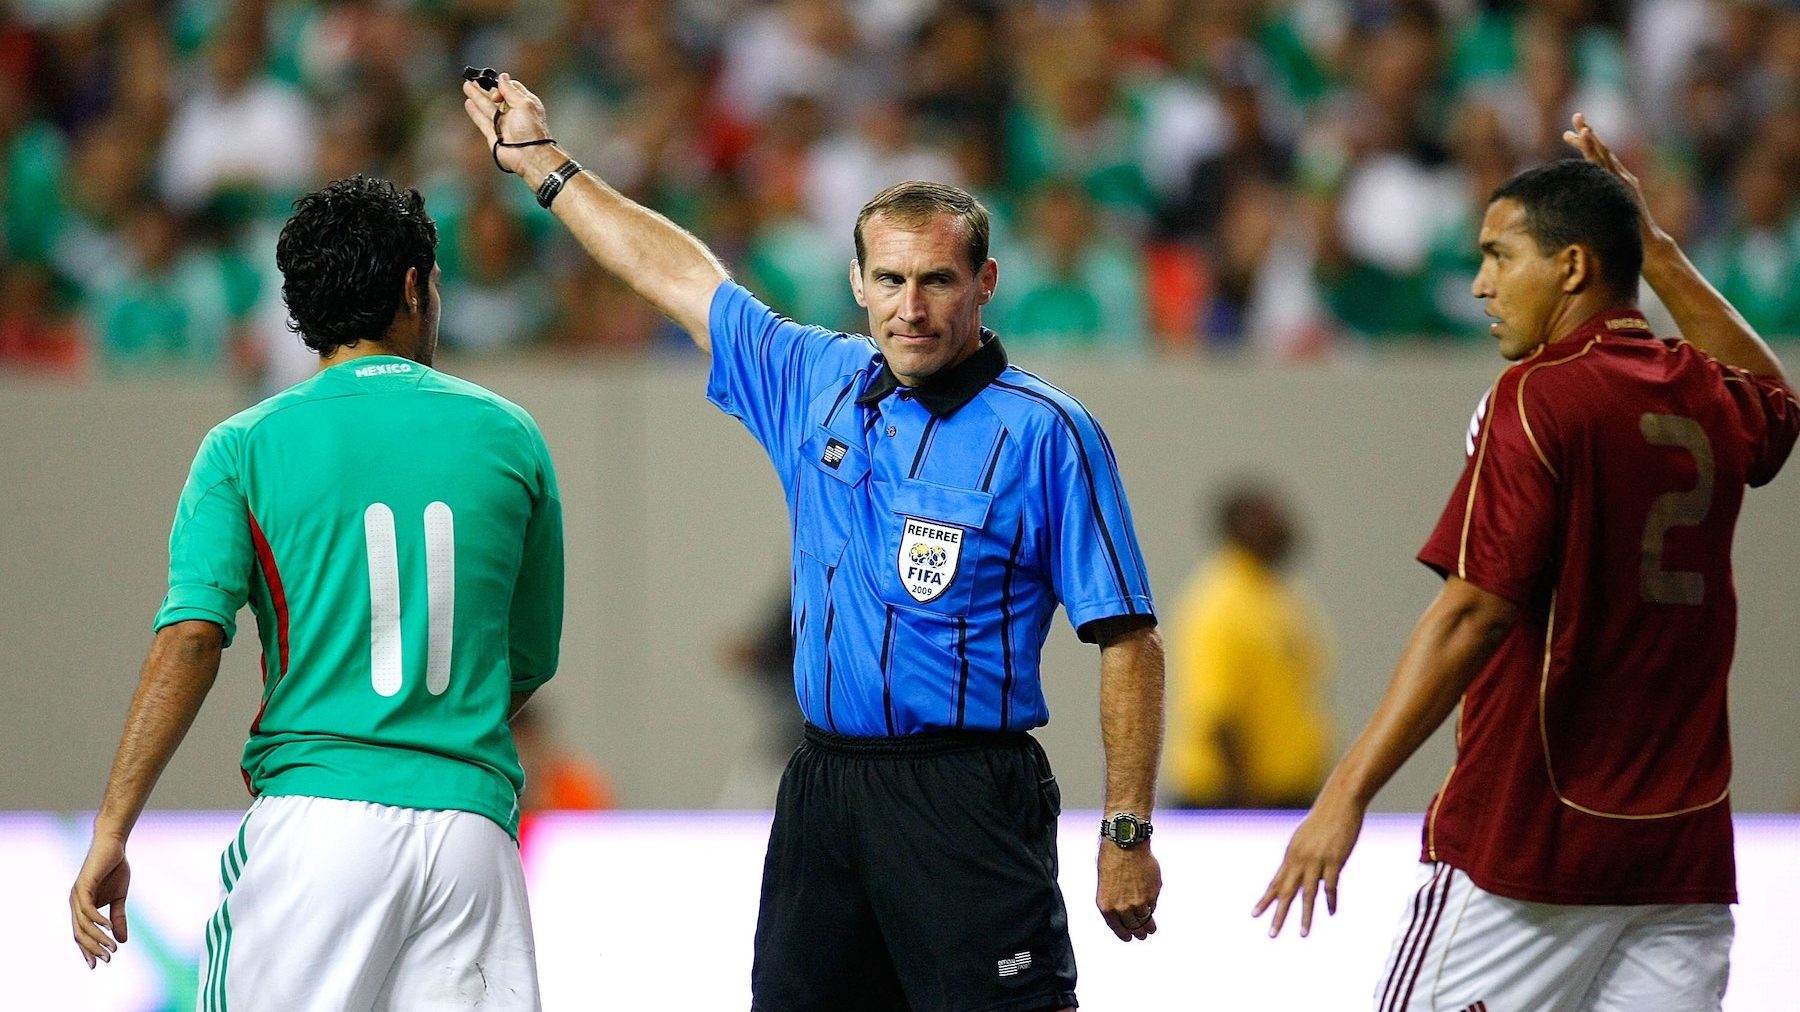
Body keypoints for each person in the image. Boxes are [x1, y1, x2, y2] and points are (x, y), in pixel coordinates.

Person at [460, 72, 1165, 1011]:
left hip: (967, 798)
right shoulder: (812, 379)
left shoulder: (1047, 433)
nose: (911, 308)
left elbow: (1129, 640)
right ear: (857, 283)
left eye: (937, 281)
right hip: (824, 790)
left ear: (985, 284)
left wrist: (1126, 834)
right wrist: (542, 161)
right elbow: (675, 273)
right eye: (890, 280)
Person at [1255, 114, 1797, 1011]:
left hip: (1531, 850)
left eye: (1500, 255)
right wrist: (1656, 250)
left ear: (1574, 266)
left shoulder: (1537, 395)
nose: (1479, 284)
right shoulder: (1701, 388)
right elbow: (1777, 401)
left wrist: (1344, 795)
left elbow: (1474, 612)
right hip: (1680, 862)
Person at [67, 175, 566, 1010]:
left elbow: (192, 636)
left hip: (318, 826)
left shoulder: (244, 447)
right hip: (475, 840)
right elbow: (524, 659)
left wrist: (113, 827)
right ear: (414, 285)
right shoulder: (510, 436)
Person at [1163, 483, 1332, 810]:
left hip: (1285, 795)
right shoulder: (1221, 602)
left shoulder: (1274, 595)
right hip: (1233, 802)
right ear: (1239, 528)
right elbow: (1218, 715)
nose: (1285, 525)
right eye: (1269, 517)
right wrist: (1247, 809)